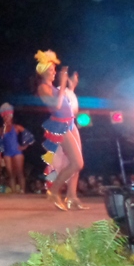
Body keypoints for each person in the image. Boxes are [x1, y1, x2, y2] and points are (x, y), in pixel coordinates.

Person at [35, 50, 87, 211]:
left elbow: (66, 102)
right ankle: (53, 191)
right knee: (77, 163)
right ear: (43, 72)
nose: (54, 72)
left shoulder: (54, 88)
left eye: (54, 69)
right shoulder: (43, 88)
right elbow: (56, 106)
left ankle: (71, 197)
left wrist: (71, 86)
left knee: (75, 161)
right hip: (59, 126)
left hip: (70, 123)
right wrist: (63, 83)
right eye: (51, 70)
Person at [0, 103, 35, 194]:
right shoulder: (1, 130)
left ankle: (22, 191)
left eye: (8, 116)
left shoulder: (16, 127)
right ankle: (13, 192)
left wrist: (24, 146)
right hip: (7, 153)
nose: (6, 118)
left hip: (17, 151)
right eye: (5, 116)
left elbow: (30, 136)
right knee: (10, 174)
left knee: (20, 173)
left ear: (11, 116)